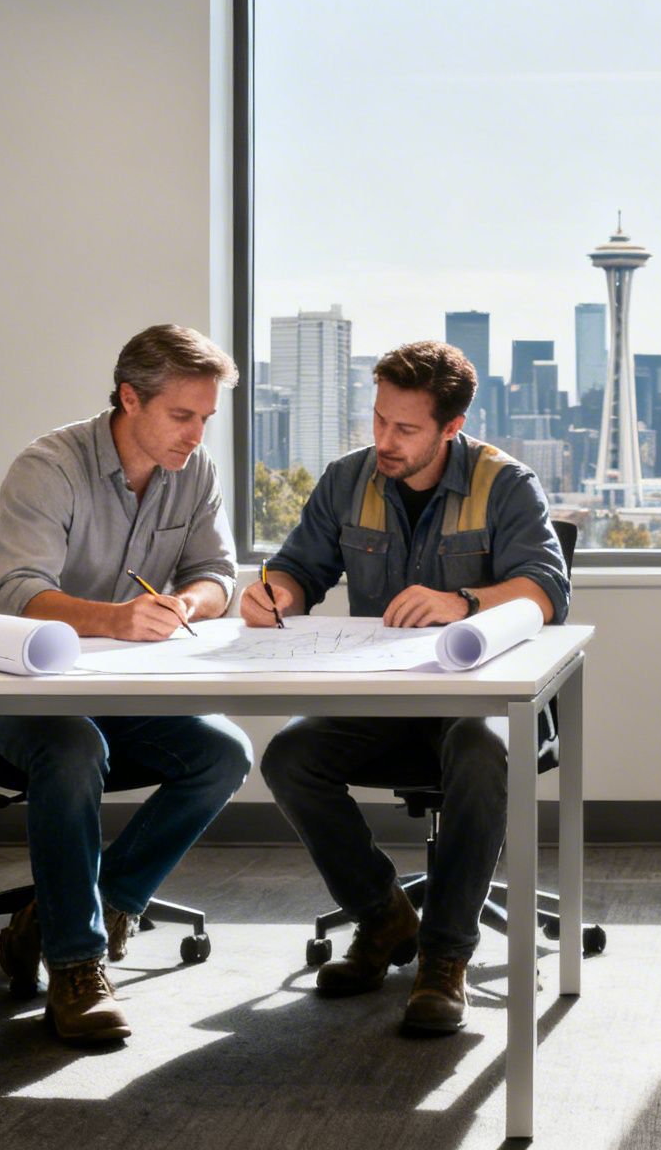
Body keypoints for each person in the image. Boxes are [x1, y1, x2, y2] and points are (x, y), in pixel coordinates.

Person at [244, 339, 569, 1034]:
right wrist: (276, 594)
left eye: (406, 429)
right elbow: (301, 568)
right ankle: (384, 917)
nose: (385, 441)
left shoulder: (505, 484)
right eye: (379, 420)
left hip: (480, 704)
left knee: (481, 754)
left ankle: (445, 958)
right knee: (289, 758)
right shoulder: (347, 480)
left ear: (451, 429)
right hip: (387, 701)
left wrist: (464, 601)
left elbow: (546, 591)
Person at [0, 323, 254, 1044]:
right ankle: (75, 963)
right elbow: (15, 593)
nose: (196, 436)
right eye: (182, 415)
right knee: (72, 751)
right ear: (131, 399)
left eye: (206, 418)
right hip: (22, 690)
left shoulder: (193, 472)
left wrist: (183, 604)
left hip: (117, 689)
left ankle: (95, 901)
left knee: (224, 754)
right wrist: (115, 619)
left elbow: (217, 576)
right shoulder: (49, 467)